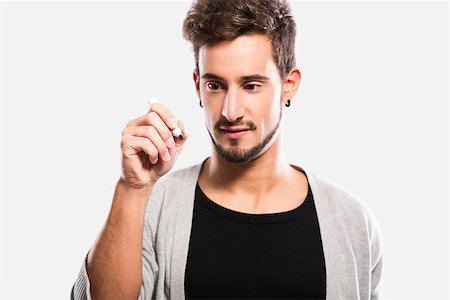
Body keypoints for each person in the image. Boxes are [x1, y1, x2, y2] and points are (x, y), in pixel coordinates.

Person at [71, 0, 383, 299]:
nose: (230, 111)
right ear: (197, 86)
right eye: (215, 85)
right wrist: (133, 188)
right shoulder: (152, 207)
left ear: (289, 84)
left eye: (251, 85)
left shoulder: (351, 221)